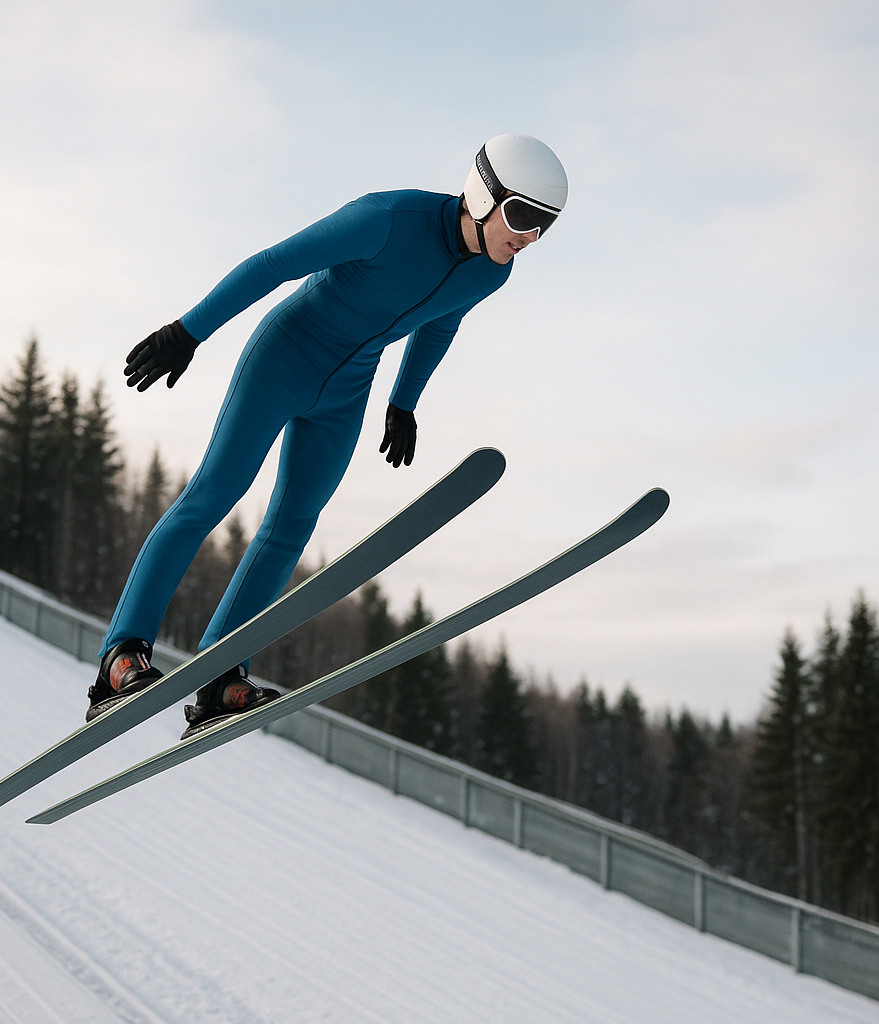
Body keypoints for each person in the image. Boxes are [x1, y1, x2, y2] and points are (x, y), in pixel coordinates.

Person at [86, 133, 568, 740]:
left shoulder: (492, 273)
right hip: (283, 360)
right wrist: (189, 331)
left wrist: (404, 401)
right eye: (523, 215)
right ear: (484, 193)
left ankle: (220, 672)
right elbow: (273, 264)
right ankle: (121, 656)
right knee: (212, 496)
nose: (530, 236)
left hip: (347, 390)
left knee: (292, 527)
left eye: (545, 224)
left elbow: (442, 321)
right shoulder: (386, 218)